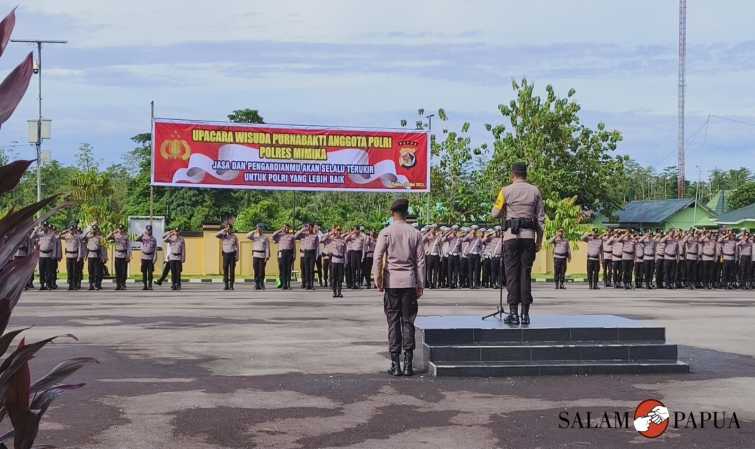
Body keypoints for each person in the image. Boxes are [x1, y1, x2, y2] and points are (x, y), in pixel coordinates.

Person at [372, 198, 425, 376]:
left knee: (393, 321)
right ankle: (408, 364)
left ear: (392, 213)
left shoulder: (386, 232)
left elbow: (378, 257)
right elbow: (420, 262)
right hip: (409, 282)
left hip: (392, 282)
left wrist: (377, 278)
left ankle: (395, 364)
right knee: (408, 321)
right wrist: (420, 283)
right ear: (406, 212)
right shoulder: (415, 233)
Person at [491, 162, 545, 325]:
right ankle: (525, 314)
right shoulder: (535, 191)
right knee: (525, 274)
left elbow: (495, 213)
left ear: (512, 175)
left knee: (512, 275)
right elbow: (541, 219)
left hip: (511, 238)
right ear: (526, 174)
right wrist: (539, 241)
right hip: (529, 237)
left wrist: (506, 211)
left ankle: (513, 313)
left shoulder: (505, 190)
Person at [322, 226, 346, 298]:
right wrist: (331, 232)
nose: (338, 232)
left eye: (339, 230)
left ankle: (339, 292)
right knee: (334, 277)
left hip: (341, 260)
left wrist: (345, 261)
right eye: (337, 231)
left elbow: (345, 251)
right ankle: (334, 292)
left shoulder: (343, 241)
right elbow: (322, 239)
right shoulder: (331, 239)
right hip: (334, 260)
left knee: (340, 278)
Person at [295, 223, 320, 290]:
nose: (309, 228)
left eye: (310, 227)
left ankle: (311, 284)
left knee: (311, 269)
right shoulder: (304, 235)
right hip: (306, 253)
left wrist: (316, 256)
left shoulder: (315, 236)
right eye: (308, 227)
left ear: (312, 228)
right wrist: (303, 229)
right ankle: (307, 284)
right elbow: (295, 236)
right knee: (306, 269)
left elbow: (317, 246)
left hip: (312, 253)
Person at [32, 222, 56, 290]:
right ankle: (42, 284)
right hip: (41, 255)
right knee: (41, 270)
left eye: (46, 226)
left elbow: (54, 245)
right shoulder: (40, 234)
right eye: (44, 226)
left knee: (48, 271)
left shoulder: (51, 234)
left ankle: (48, 284)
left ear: (48, 227)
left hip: (49, 255)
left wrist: (54, 254)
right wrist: (36, 229)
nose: (45, 227)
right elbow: (31, 237)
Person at [107, 224, 131, 290]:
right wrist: (113, 232)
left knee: (123, 271)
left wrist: (128, 255)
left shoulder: (126, 236)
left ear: (123, 229)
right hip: (117, 255)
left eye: (121, 229)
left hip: (124, 255)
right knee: (118, 271)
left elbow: (129, 246)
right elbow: (107, 238)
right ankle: (118, 285)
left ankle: (123, 284)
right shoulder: (115, 235)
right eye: (119, 229)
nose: (120, 230)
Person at [59, 225, 83, 290]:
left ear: (75, 230)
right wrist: (65, 231)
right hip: (69, 256)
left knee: (75, 271)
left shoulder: (77, 237)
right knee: (69, 271)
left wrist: (79, 256)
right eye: (71, 230)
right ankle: (70, 284)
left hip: (75, 255)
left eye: (73, 230)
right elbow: (57, 236)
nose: (72, 231)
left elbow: (80, 247)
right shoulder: (66, 236)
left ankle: (74, 284)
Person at [217, 223, 239, 290]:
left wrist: (237, 256)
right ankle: (226, 285)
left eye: (229, 228)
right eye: (227, 228)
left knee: (232, 270)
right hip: (225, 255)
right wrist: (224, 230)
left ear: (231, 229)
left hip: (232, 255)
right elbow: (216, 235)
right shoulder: (223, 236)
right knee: (225, 270)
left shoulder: (234, 236)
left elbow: (237, 247)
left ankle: (231, 285)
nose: (228, 229)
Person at [83, 223, 105, 290]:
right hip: (90, 255)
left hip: (97, 256)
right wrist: (88, 230)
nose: (94, 231)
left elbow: (102, 248)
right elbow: (82, 237)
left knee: (97, 271)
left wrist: (103, 256)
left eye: (95, 229)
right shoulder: (88, 237)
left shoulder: (100, 237)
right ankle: (91, 284)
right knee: (90, 271)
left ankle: (96, 284)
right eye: (93, 229)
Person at [247, 224, 270, 290]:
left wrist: (267, 256)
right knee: (256, 270)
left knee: (262, 270)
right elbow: (247, 236)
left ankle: (261, 283)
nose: (259, 229)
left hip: (262, 255)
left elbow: (267, 248)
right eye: (258, 228)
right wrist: (254, 231)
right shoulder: (254, 236)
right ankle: (256, 284)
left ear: (262, 229)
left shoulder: (265, 237)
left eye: (260, 228)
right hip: (255, 255)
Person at [273, 224, 296, 289]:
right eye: (285, 227)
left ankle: (288, 284)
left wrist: (294, 254)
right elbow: (273, 235)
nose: (286, 229)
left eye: (287, 228)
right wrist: (280, 230)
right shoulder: (280, 236)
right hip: (282, 253)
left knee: (288, 269)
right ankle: (284, 284)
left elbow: (294, 246)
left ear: (289, 228)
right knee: (283, 269)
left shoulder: (291, 236)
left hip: (289, 253)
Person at [136, 224, 158, 290]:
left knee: (150, 272)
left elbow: (155, 249)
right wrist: (142, 234)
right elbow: (136, 239)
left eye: (150, 230)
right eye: (147, 230)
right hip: (144, 257)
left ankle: (150, 285)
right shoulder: (143, 237)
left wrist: (155, 257)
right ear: (146, 230)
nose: (149, 231)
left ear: (151, 230)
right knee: (144, 272)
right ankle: (145, 285)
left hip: (150, 257)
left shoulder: (154, 239)